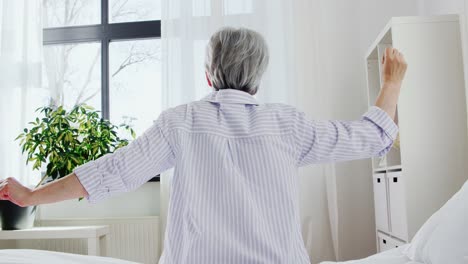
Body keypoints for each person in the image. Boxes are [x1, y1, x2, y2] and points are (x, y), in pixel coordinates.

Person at [0, 27, 407, 263]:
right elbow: (371, 136)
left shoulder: (180, 121)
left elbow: (112, 172)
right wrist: (390, 84)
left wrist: (32, 194)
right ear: (259, 76)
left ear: (209, 75)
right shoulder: (287, 123)